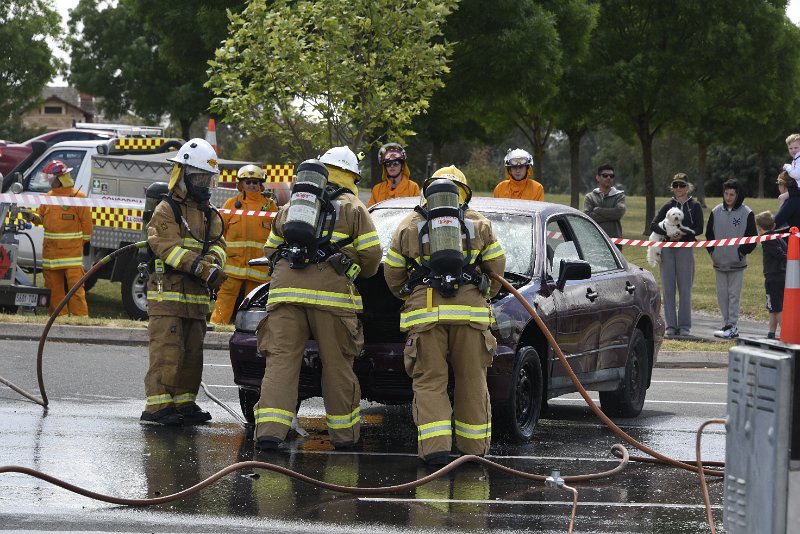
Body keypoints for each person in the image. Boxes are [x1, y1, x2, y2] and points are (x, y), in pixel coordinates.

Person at [252, 146, 382, 451]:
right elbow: (373, 257)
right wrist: (350, 263)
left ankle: (269, 433)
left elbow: (270, 250)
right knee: (337, 367)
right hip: (332, 300)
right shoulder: (353, 207)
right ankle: (345, 438)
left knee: (281, 364)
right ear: (351, 175)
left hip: (285, 294)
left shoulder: (293, 206)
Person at [384, 166, 506, 466]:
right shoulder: (479, 223)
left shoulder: (408, 224)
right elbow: (497, 269)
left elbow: (392, 274)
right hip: (470, 314)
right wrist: (481, 292)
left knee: (430, 382)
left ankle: (435, 450)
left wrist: (409, 295)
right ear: (463, 192)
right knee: (472, 381)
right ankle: (473, 450)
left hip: (425, 313)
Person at [140, 138, 228, 426]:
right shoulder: (167, 209)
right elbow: (166, 247)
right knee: (167, 352)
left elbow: (219, 245)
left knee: (192, 355)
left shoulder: (208, 213)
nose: (204, 185)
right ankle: (157, 408)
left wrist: (214, 263)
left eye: (208, 179)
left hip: (196, 298)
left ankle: (184, 404)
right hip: (169, 296)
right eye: (199, 178)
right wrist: (201, 268)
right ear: (185, 176)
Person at [210, 164, 278, 325]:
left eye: (255, 182)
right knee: (225, 296)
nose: (252, 185)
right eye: (248, 182)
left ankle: (251, 328)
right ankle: (217, 325)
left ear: (261, 184)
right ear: (241, 184)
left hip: (258, 266)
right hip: (234, 264)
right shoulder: (231, 204)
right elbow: (219, 232)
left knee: (254, 302)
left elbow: (276, 232)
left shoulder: (270, 206)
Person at [24, 160, 92, 317]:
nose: (48, 181)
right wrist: (31, 217)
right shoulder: (48, 197)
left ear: (60, 177)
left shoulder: (78, 197)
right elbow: (41, 218)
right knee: (54, 291)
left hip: (71, 256)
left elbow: (87, 228)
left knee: (75, 290)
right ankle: (58, 320)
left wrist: (77, 244)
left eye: (50, 177)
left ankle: (80, 320)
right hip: (51, 256)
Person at [649, 173, 704, 338]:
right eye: (675, 185)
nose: (679, 189)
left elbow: (699, 228)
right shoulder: (667, 205)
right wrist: (667, 232)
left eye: (682, 185)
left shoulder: (694, 206)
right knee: (668, 288)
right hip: (667, 249)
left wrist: (682, 234)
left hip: (685, 249)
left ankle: (685, 326)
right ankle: (671, 326)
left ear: (688, 187)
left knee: (685, 289)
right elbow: (653, 225)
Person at [705, 179, 757, 339]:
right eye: (726, 194)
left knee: (734, 295)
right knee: (722, 295)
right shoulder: (716, 211)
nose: (728, 197)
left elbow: (752, 238)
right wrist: (714, 253)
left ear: (738, 195)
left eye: (732, 194)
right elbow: (709, 236)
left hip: (736, 264)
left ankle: (732, 326)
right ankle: (726, 324)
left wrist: (740, 253)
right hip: (719, 263)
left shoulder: (746, 213)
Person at [755, 211, 787, 339]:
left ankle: (786, 332)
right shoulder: (779, 237)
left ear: (759, 229)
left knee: (777, 308)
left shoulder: (767, 240)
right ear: (774, 226)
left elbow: (779, 254)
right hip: (781, 276)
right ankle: (771, 333)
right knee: (773, 307)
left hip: (773, 278)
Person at [583, 163, 626, 248]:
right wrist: (611, 215)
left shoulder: (619, 196)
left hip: (614, 243)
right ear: (598, 178)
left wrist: (598, 210)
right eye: (605, 175)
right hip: (594, 240)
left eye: (611, 176)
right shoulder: (590, 197)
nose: (608, 178)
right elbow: (588, 217)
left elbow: (618, 213)